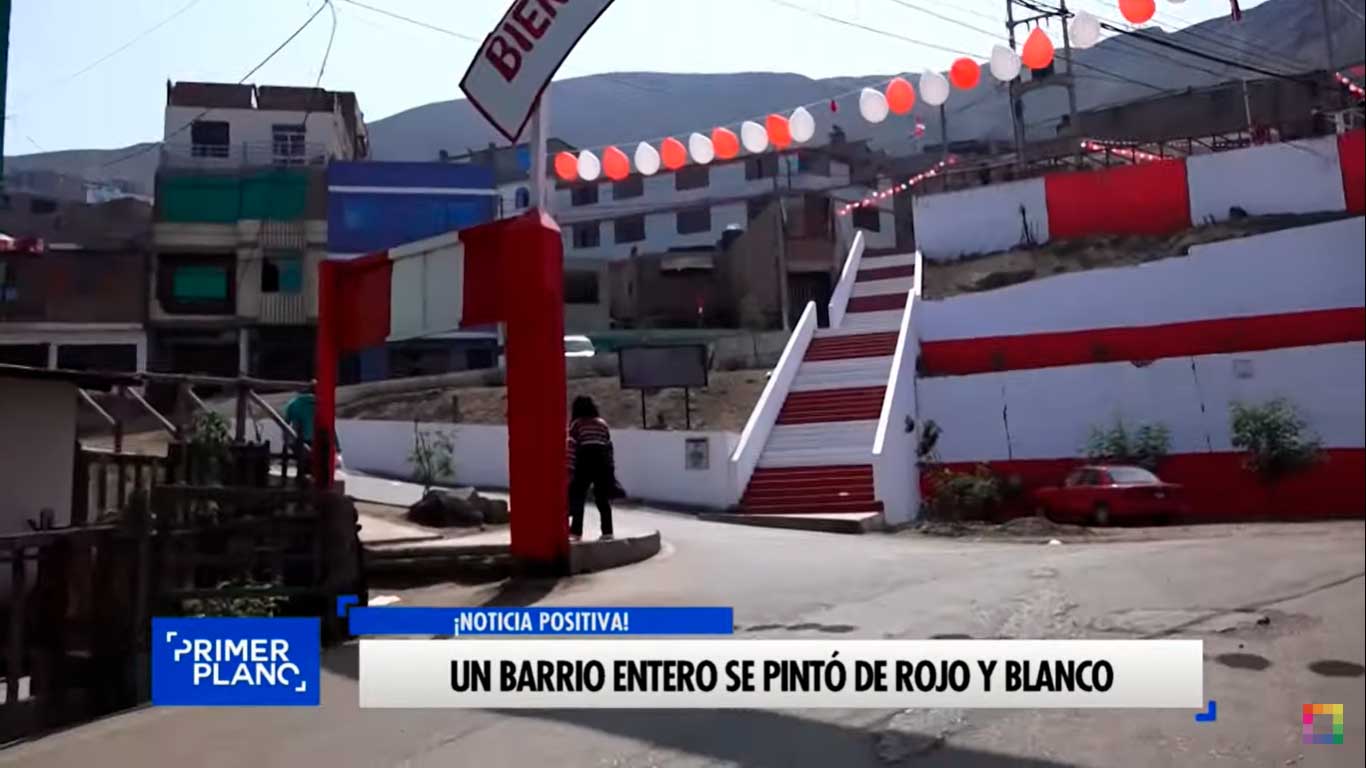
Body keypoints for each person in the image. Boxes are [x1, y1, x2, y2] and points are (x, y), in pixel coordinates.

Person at [567, 396, 618, 541]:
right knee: (602, 498)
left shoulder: (577, 424)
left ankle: (576, 532)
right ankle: (607, 532)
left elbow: (571, 447)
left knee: (578, 497)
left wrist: (569, 468)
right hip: (602, 463)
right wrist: (611, 467)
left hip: (584, 461)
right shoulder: (602, 424)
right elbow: (609, 447)